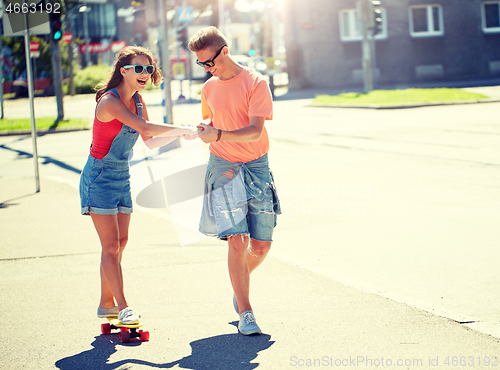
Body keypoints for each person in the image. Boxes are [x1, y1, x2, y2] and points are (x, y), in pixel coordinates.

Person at [79, 46, 196, 324]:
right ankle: (122, 306)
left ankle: (105, 303)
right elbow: (145, 128)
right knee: (109, 246)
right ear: (124, 71)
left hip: (121, 174)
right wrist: (182, 128)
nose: (146, 73)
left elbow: (151, 141)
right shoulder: (110, 102)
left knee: (120, 242)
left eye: (149, 68)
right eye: (139, 68)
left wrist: (184, 134)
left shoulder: (138, 100)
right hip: (99, 176)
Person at [188, 27, 281, 335]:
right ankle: (246, 310)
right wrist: (205, 129)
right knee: (237, 241)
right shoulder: (209, 88)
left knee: (261, 245)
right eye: (201, 64)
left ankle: (238, 289)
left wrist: (219, 133)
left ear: (224, 52)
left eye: (208, 62)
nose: (205, 69)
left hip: (256, 165)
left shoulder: (256, 83)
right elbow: (214, 120)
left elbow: (255, 131)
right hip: (223, 165)